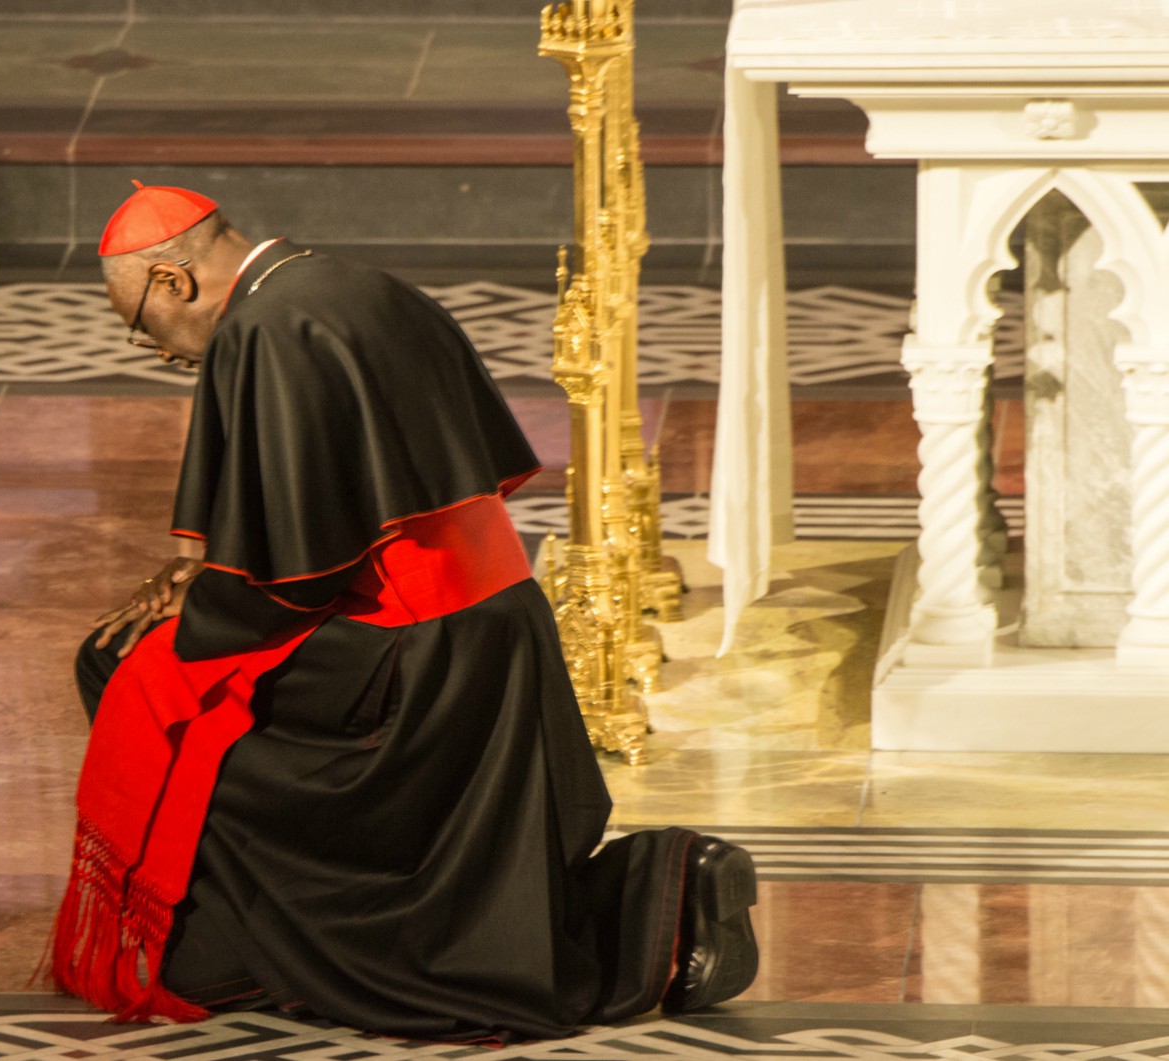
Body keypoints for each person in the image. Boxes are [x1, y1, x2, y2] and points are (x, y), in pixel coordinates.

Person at [48, 182, 758, 1042]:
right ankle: (665, 891)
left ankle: (237, 941)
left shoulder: (263, 331)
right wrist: (213, 577)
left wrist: (205, 605)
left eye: (141, 327)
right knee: (160, 661)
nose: (159, 353)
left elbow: (288, 582)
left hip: (413, 658)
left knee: (132, 669)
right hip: (496, 624)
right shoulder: (346, 283)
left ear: (173, 282)